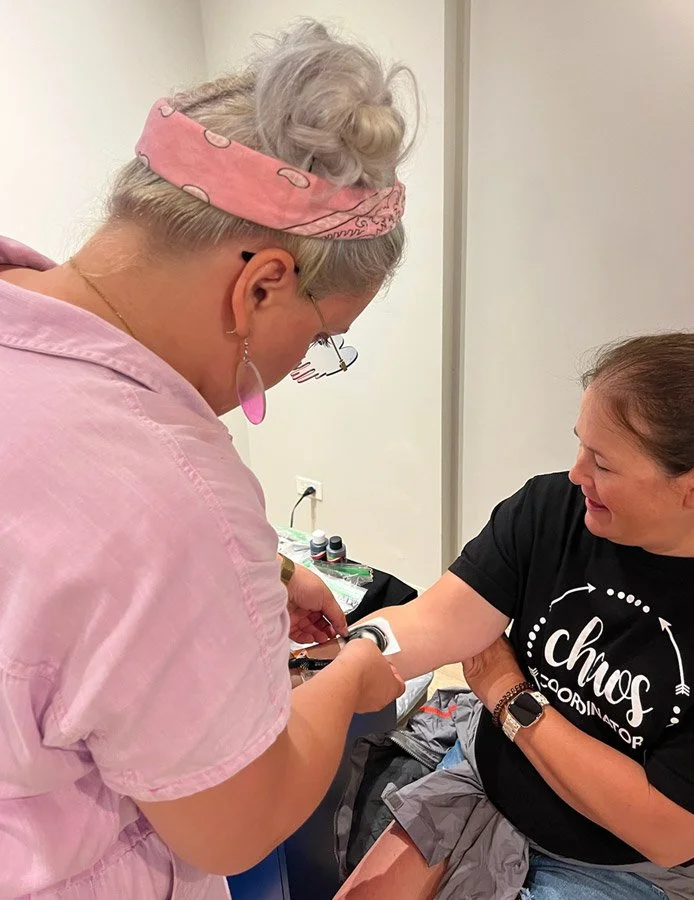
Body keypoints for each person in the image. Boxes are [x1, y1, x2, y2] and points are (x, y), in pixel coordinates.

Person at [0, 21, 416, 900]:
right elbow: (233, 822)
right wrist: (349, 680)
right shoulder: (171, 489)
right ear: (261, 284)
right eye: (322, 338)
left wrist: (262, 571)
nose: (303, 368)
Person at [335, 333, 694, 900]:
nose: (577, 473)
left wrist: (507, 693)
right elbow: (436, 622)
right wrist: (332, 666)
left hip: (619, 865)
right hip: (483, 778)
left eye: (602, 463)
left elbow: (667, 829)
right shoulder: (552, 509)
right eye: (580, 446)